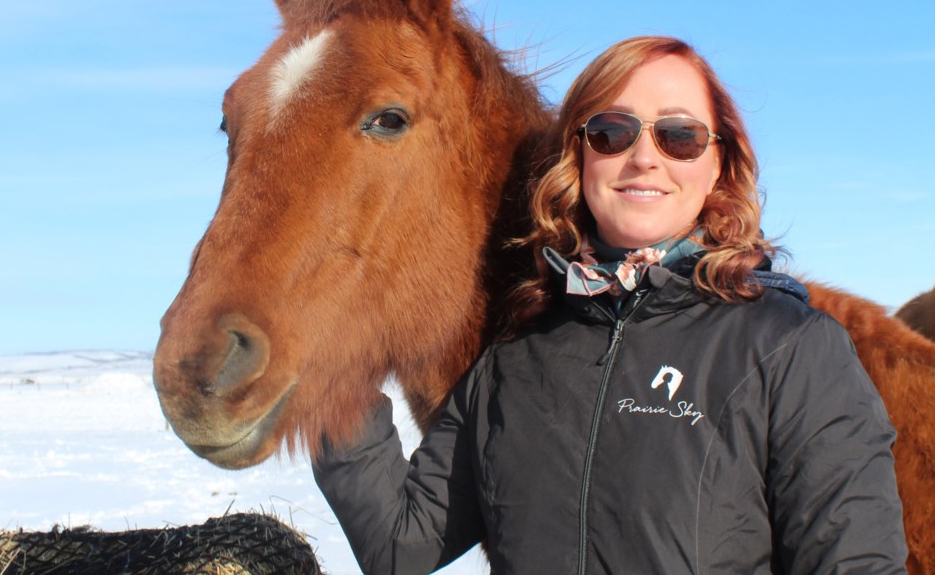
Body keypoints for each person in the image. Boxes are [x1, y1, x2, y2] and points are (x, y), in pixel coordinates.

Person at [313, 36, 908, 573]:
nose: (644, 157)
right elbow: (401, 546)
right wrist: (322, 370)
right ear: (579, 157)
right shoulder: (515, 358)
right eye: (612, 132)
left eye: (679, 136)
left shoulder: (790, 350)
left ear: (718, 162)